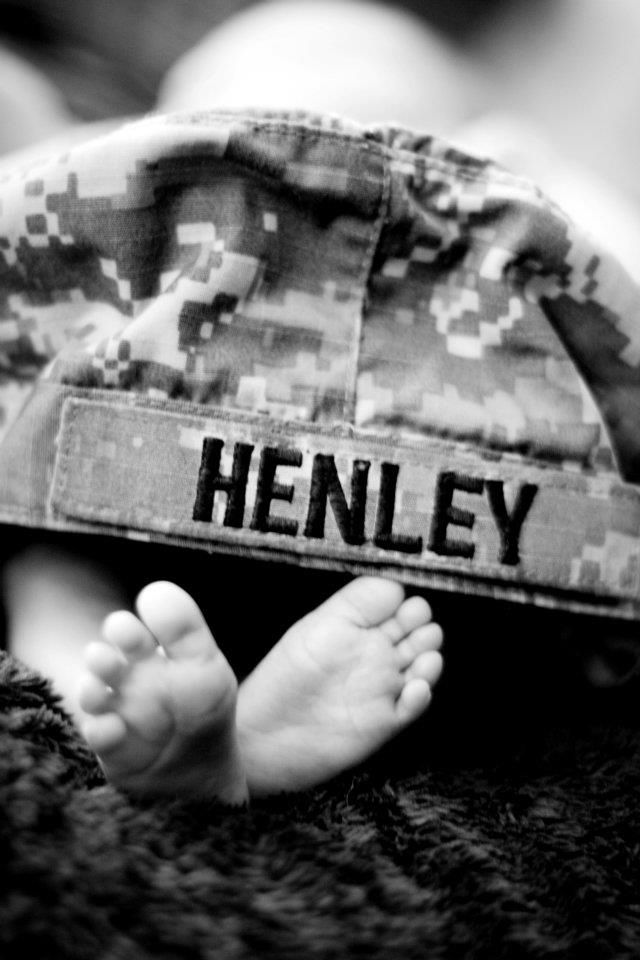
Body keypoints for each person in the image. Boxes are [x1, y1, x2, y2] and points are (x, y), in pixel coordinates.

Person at [1, 0, 639, 806]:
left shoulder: (146, 162)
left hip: (148, 432)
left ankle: (104, 690)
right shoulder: (519, 170)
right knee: (486, 617)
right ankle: (187, 725)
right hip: (476, 472)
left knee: (54, 540)